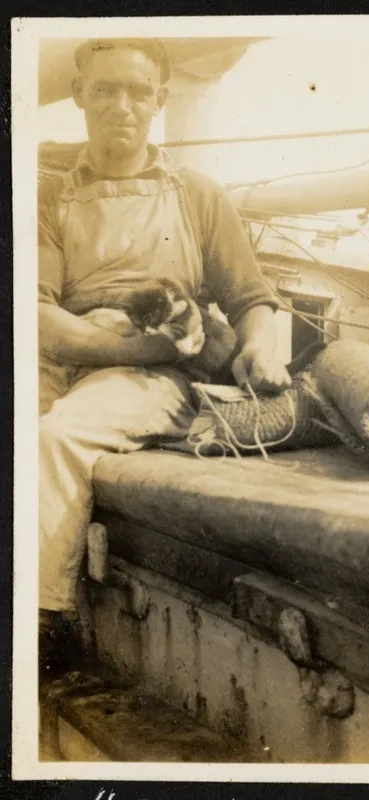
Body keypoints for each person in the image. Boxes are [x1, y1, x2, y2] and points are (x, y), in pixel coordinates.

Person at [38, 38, 291, 680]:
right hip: (64, 350)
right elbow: (39, 314)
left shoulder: (198, 194)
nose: (120, 106)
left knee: (55, 437)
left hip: (154, 369)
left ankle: (42, 621)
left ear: (159, 100)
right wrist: (99, 344)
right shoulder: (46, 198)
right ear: (79, 96)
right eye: (104, 90)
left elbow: (251, 299)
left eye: (136, 91)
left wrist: (257, 346)